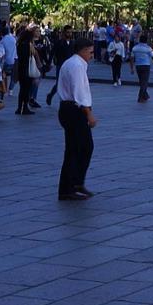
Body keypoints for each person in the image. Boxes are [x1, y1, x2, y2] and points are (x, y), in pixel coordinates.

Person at [55, 36, 97, 200]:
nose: (92, 56)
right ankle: (68, 188)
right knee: (76, 149)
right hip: (74, 110)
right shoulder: (77, 66)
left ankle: (76, 183)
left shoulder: (72, 63)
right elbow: (79, 93)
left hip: (69, 109)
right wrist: (89, 114)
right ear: (83, 50)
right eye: (90, 52)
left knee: (83, 147)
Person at [15, 26, 42, 116]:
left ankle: (19, 108)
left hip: (21, 69)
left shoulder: (20, 44)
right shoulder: (28, 45)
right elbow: (32, 55)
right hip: (28, 70)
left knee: (22, 89)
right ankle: (25, 108)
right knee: (26, 90)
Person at [45, 26, 74, 106]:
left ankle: (67, 101)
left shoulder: (73, 43)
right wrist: (49, 63)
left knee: (69, 83)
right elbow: (52, 53)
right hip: (61, 65)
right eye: (68, 32)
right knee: (59, 83)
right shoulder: (59, 42)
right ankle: (51, 95)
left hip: (70, 66)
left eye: (71, 32)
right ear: (64, 33)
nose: (69, 34)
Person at [130, 32, 153, 102]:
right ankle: (140, 97)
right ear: (146, 41)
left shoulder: (135, 48)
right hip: (146, 66)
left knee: (141, 81)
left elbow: (131, 58)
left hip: (138, 66)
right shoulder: (148, 48)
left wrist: (132, 68)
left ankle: (145, 95)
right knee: (144, 82)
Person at [0, 24, 18, 94]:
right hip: (14, 59)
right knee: (13, 76)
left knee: (3, 74)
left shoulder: (2, 41)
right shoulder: (13, 38)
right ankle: (11, 89)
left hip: (6, 61)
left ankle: (5, 88)